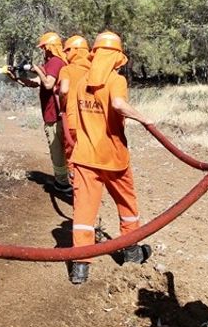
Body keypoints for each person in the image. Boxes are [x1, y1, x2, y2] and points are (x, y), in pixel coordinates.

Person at [63, 31, 153, 285]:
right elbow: (118, 105)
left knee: (83, 213)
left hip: (84, 157)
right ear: (117, 57)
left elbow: (72, 121)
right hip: (113, 158)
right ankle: (132, 252)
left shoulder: (81, 83)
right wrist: (144, 118)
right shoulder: (116, 80)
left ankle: (80, 267)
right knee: (127, 205)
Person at [8, 31, 72, 196]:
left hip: (55, 116)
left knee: (57, 151)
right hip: (53, 114)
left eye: (44, 47)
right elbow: (37, 82)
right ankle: (66, 181)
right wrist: (16, 77)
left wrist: (34, 67)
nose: (43, 50)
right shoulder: (52, 63)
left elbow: (48, 83)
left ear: (50, 47)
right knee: (60, 151)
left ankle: (63, 184)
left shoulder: (56, 62)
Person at [56, 35, 91, 165]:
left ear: (76, 50)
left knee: (72, 159)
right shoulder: (95, 70)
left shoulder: (67, 70)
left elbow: (64, 90)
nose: (65, 53)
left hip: (73, 122)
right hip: (92, 123)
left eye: (67, 50)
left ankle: (74, 183)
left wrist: (61, 107)